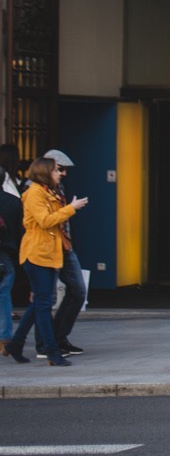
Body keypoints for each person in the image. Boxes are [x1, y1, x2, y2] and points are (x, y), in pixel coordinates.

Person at [6, 157, 85, 367]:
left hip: (49, 254)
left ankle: (16, 344)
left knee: (40, 303)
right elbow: (45, 221)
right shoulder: (35, 193)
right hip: (37, 254)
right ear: (45, 173)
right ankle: (51, 351)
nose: (59, 174)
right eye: (56, 170)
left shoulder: (49, 192)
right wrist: (71, 208)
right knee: (43, 304)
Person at [0, 143, 21, 347]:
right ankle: (4, 337)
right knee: (3, 294)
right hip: (5, 252)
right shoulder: (13, 201)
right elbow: (19, 230)